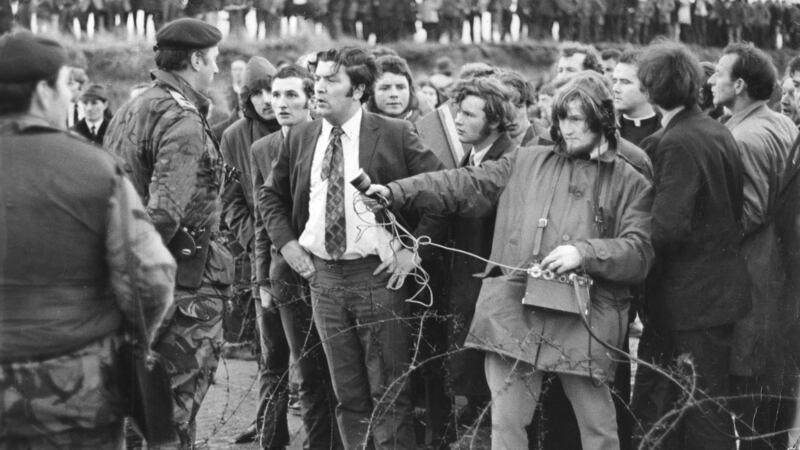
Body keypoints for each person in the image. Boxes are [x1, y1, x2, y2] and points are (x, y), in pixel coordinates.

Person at [367, 73, 654, 450]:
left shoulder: (630, 179)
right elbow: (463, 182)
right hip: (517, 311)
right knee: (506, 426)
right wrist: (395, 192)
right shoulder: (527, 160)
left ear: (601, 119)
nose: (568, 128)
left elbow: (639, 251)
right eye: (563, 117)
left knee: (598, 429)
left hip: (585, 317)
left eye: (578, 118)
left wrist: (584, 253)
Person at [261, 46, 444, 450]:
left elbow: (440, 192)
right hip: (322, 278)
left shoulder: (394, 134)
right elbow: (269, 196)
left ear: (359, 89)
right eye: (318, 79)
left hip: (377, 278)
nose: (318, 88)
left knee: (390, 392)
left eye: (331, 80)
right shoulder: (303, 136)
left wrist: (412, 251)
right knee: (348, 395)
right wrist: (287, 244)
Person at [0, 30, 175, 448]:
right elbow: (150, 278)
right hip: (76, 394)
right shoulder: (95, 169)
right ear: (44, 92)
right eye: (66, 85)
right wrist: (130, 337)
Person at [103, 18, 234, 449]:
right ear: (196, 59)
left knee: (139, 410)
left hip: (136, 280)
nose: (216, 69)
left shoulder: (134, 107)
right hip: (182, 284)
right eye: (213, 60)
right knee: (169, 414)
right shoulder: (181, 118)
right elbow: (163, 214)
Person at [631, 41, 750, 450]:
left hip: (688, 300)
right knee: (702, 405)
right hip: (715, 292)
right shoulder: (716, 130)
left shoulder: (676, 142)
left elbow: (667, 228)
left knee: (695, 411)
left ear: (649, 91)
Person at [708, 42, 799, 449]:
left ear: (739, 84)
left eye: (718, 74)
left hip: (754, 279)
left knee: (753, 401)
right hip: (776, 278)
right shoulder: (780, 123)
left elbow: (750, 211)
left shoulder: (744, 137)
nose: (710, 79)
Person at [252, 63, 343, 450]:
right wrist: (263, 278)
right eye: (276, 95)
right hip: (286, 271)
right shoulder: (266, 148)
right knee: (301, 371)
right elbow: (262, 217)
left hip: (332, 269)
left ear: (311, 99)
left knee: (338, 370)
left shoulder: (330, 137)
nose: (281, 103)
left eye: (291, 95)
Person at [218, 55, 285, 447]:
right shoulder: (234, 136)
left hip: (298, 251)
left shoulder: (299, 129)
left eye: (270, 92)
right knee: (269, 349)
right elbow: (230, 200)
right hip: (259, 254)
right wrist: (255, 236)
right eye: (257, 93)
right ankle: (269, 427)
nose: (265, 101)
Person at [443, 76, 516, 428]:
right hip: (468, 279)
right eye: (459, 111)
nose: (458, 120)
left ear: (495, 121)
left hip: (490, 284)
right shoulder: (469, 153)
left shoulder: (507, 159)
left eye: (469, 115)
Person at [612, 49, 660, 147]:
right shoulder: (606, 132)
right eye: (614, 81)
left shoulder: (667, 129)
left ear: (648, 86)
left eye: (625, 82)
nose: (615, 88)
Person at [367, 55, 421, 122]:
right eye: (385, 88)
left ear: (410, 91)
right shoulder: (358, 128)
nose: (394, 94)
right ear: (371, 92)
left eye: (400, 87)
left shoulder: (428, 128)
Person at [497, 69, 538, 147]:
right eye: (504, 108)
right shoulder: (491, 145)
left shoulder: (546, 142)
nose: (511, 116)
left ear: (528, 106)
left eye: (518, 106)